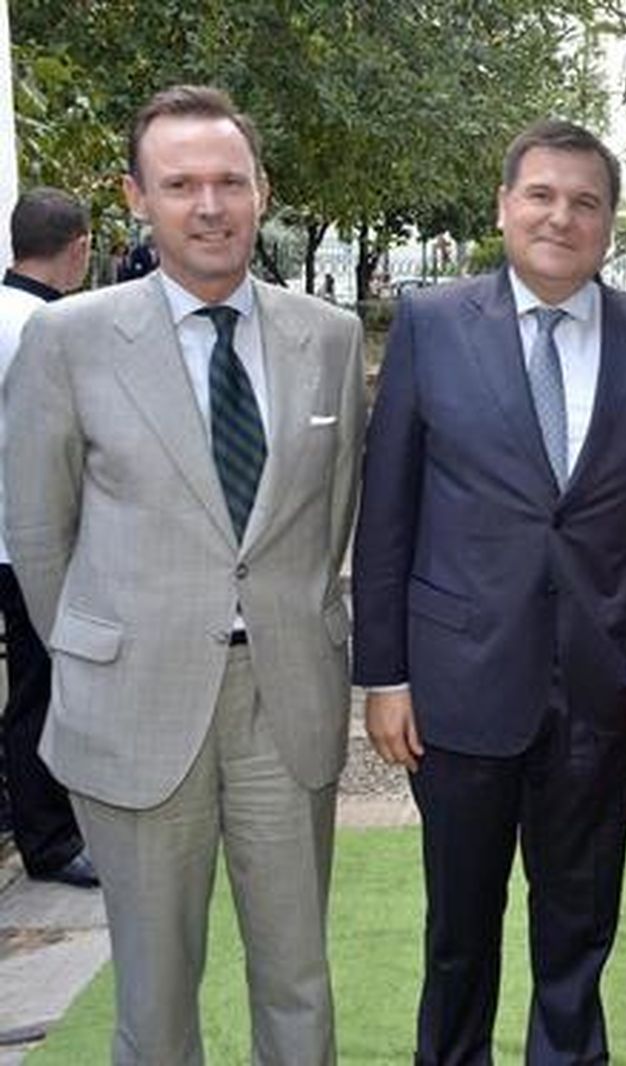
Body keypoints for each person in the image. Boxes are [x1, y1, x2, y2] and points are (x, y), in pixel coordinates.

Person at [3, 85, 366, 1064]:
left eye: (228, 181)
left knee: (297, 981)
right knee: (156, 992)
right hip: (134, 702)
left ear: (261, 190)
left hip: (284, 701)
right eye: (180, 184)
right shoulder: (67, 340)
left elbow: (330, 521)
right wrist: (101, 652)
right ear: (136, 197)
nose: (208, 204)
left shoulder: (326, 339)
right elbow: (40, 536)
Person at [352, 118, 626, 1064]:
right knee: (459, 934)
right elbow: (388, 506)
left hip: (604, 684)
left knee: (578, 928)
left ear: (610, 223)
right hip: (458, 682)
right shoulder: (430, 324)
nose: (562, 216)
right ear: (505, 206)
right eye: (542, 195)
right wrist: (383, 672)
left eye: (585, 202)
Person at [0, 187, 98, 889]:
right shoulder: (47, 332)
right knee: (41, 688)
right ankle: (50, 840)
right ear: (81, 248)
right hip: (22, 542)